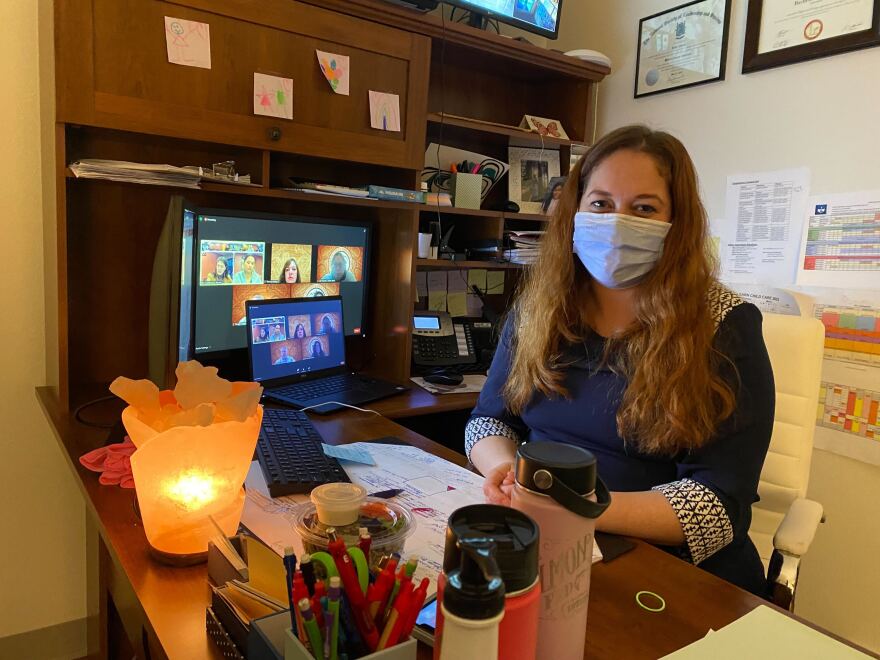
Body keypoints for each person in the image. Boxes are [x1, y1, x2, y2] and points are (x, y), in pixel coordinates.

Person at [466, 125, 774, 596]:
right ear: (576, 211)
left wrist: (579, 507)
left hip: (667, 573)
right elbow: (488, 421)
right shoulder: (538, 309)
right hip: (546, 544)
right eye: (601, 204)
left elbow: (718, 507)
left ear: (678, 223)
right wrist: (504, 472)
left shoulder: (724, 327)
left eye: (644, 208)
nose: (616, 222)